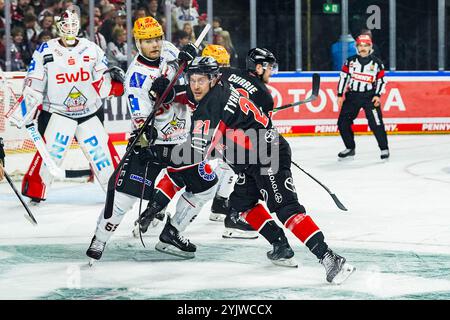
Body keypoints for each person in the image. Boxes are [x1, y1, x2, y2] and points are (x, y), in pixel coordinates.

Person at [141, 56, 356, 284]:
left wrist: (156, 153)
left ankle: (330, 258)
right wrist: (172, 91)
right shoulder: (221, 83)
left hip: (267, 156)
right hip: (251, 159)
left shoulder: (211, 108)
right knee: (241, 204)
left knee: (285, 208)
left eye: (201, 80)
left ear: (213, 79)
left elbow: (194, 154)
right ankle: (280, 245)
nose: (195, 85)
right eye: (192, 79)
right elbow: (192, 94)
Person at [85, 16, 205, 261]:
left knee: (207, 186)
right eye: (148, 40)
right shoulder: (136, 77)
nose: (155, 44)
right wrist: (144, 145)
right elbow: (141, 123)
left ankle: (173, 231)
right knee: (124, 198)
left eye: (157, 38)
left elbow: (190, 78)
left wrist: (191, 58)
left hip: (182, 141)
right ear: (137, 42)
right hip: (153, 144)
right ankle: (100, 239)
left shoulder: (170, 50)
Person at [20, 5, 124, 203]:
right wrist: (28, 106)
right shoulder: (46, 49)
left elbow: (103, 81)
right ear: (58, 26)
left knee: (102, 155)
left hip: (89, 112)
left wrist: (114, 83)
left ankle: (117, 189)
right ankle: (35, 190)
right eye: (65, 24)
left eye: (73, 24)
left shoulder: (92, 48)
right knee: (51, 154)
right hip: (58, 113)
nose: (69, 28)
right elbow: (34, 80)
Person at [336, 34, 389, 160]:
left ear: (370, 47)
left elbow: (382, 81)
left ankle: (384, 148)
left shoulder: (377, 63)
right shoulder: (350, 62)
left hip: (370, 97)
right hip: (352, 96)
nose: (363, 48)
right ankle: (350, 148)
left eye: (366, 45)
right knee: (343, 122)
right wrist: (339, 94)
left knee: (376, 123)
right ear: (356, 47)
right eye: (360, 45)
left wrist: (377, 95)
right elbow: (344, 78)